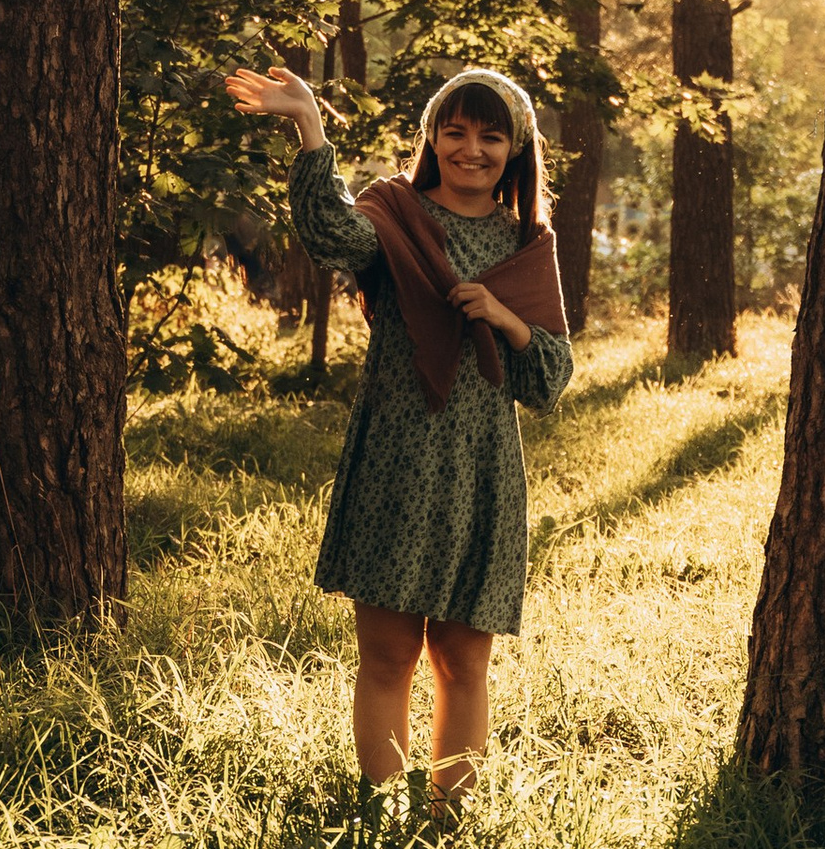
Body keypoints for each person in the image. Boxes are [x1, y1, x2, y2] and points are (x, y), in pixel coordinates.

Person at [221, 58, 574, 808]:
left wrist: (506, 319)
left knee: (462, 660)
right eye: (455, 132)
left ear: (515, 150)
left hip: (481, 473)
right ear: (433, 139)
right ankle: (378, 816)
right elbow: (327, 233)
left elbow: (550, 376)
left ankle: (449, 823)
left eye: (490, 136)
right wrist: (310, 126)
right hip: (395, 462)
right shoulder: (393, 218)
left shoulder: (525, 244)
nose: (471, 150)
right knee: (387, 657)